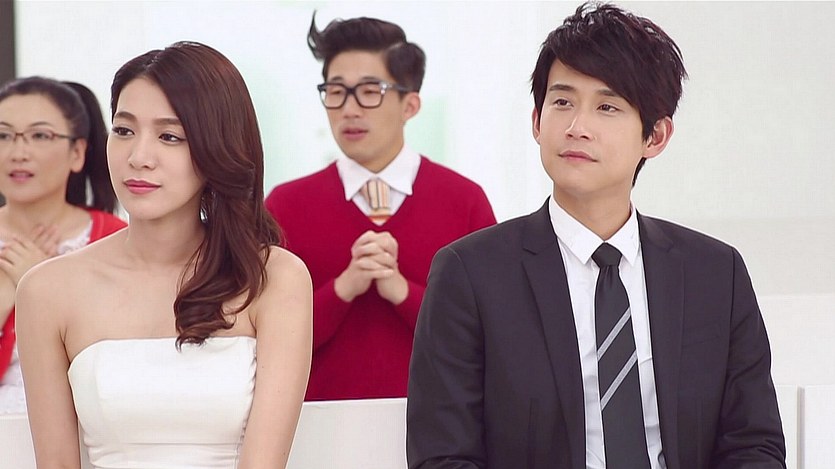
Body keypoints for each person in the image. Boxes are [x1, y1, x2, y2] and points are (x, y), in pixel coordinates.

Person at [407, 3, 786, 468]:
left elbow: (754, 444)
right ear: (537, 121)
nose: (577, 127)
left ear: (656, 136)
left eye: (607, 107)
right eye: (562, 102)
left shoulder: (715, 273)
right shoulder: (471, 273)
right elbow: (443, 456)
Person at [17, 41, 312, 468]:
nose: (139, 158)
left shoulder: (274, 278)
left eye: (169, 136)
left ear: (216, 148)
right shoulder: (47, 290)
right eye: (124, 131)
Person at [265, 15, 495, 401]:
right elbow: (262, 337)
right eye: (336, 91)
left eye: (370, 91)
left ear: (410, 105)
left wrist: (402, 292)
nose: (349, 109)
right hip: (313, 425)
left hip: (441, 424)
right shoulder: (284, 206)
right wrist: (343, 288)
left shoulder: (465, 201)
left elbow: (489, 336)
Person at [0, 77, 126, 415]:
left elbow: (130, 363)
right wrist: (7, 293)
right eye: (3, 136)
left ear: (77, 153)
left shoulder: (117, 237)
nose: (18, 153)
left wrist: (42, 290)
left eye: (40, 136)